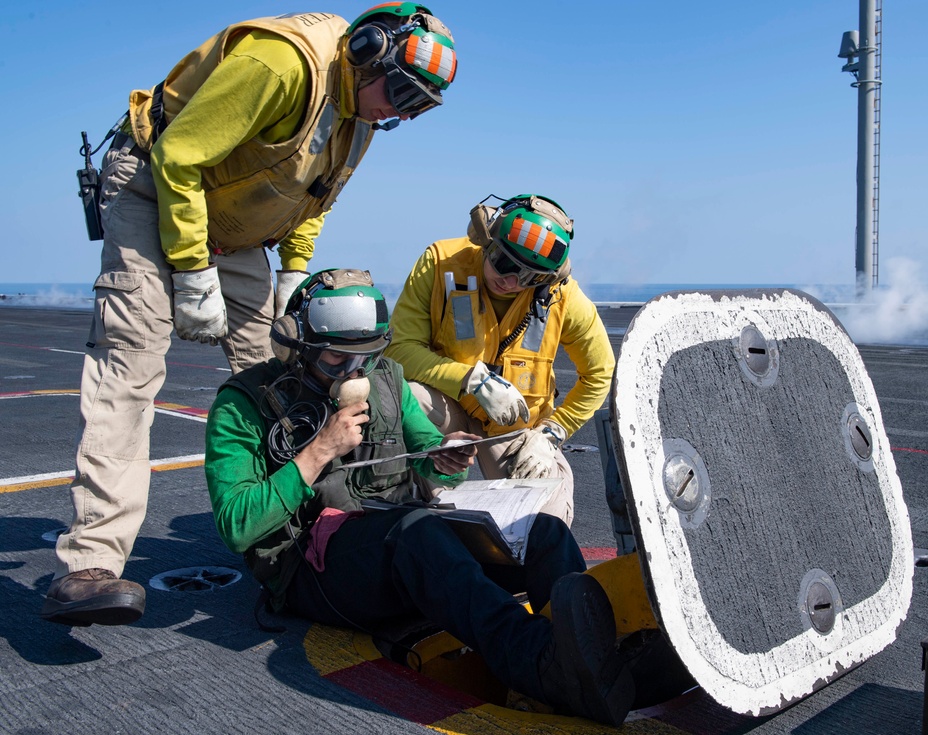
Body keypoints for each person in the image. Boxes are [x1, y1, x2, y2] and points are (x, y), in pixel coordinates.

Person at [42, 4, 458, 626]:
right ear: (368, 48)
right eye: (399, 90)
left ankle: (291, 525)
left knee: (286, 367)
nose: (400, 109)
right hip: (155, 190)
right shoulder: (281, 62)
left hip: (237, 228)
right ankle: (91, 564)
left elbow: (317, 196)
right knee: (129, 373)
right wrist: (190, 269)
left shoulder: (362, 121)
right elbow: (179, 156)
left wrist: (293, 271)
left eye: (418, 106)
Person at [201, 268, 635, 726]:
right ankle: (539, 662)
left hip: (398, 545)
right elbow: (236, 526)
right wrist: (318, 452)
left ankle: (594, 655)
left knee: (542, 532)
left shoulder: (386, 378)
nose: (354, 372)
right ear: (295, 347)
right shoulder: (243, 404)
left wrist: (445, 456)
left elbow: (424, 447)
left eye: (365, 357)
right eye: (335, 360)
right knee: (418, 533)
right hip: (311, 568)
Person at [384, 194, 615, 525]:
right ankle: (424, 514)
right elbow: (399, 350)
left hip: (517, 426)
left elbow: (600, 372)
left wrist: (551, 433)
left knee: (546, 523)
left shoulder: (562, 296)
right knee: (405, 399)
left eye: (530, 277)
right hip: (448, 405)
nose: (511, 282)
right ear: (484, 240)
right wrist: (470, 381)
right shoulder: (439, 264)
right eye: (504, 263)